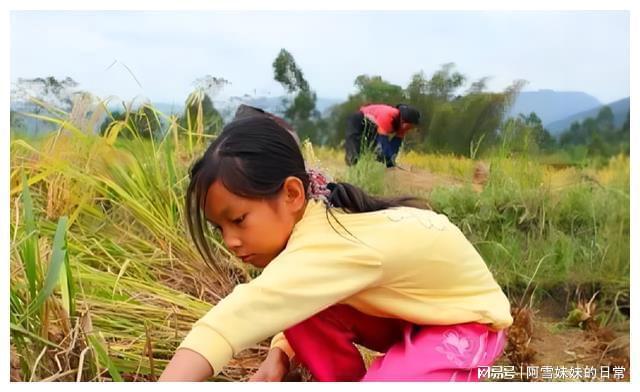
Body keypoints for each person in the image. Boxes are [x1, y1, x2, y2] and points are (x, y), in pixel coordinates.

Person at [159, 114, 512, 382]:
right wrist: (279, 354)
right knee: (296, 302)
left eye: (238, 220)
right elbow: (287, 297)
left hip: (467, 322)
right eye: (219, 228)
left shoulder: (331, 242)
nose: (230, 240)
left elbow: (234, 318)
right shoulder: (315, 226)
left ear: (293, 194)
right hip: (413, 313)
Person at [344, 103, 421, 168]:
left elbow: (395, 145)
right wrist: (386, 159)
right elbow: (383, 142)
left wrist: (390, 160)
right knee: (354, 148)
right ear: (404, 121)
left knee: (371, 150)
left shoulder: (403, 126)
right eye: (410, 126)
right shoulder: (389, 115)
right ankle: (352, 169)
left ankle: (368, 170)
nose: (410, 129)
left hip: (373, 125)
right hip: (359, 118)